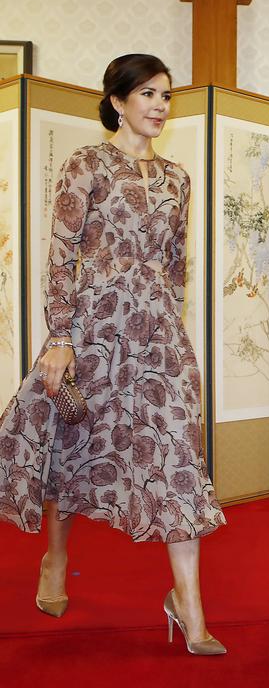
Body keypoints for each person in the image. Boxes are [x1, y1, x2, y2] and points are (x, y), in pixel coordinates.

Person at [0, 54, 226, 654]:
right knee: (73, 444)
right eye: (146, 94)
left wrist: (169, 327)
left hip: (157, 336)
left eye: (166, 96)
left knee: (179, 453)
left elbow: (177, 263)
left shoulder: (178, 177)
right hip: (94, 328)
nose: (158, 105)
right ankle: (54, 559)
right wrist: (60, 338)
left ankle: (190, 606)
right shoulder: (86, 165)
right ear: (118, 101)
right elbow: (60, 255)